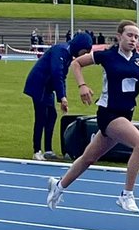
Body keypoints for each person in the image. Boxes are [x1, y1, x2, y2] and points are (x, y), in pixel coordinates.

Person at [46, 20, 139, 214]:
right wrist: (82, 85)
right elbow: (76, 63)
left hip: (126, 115)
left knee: (88, 158)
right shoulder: (107, 55)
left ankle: (59, 186)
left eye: (136, 37)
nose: (133, 40)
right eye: (129, 35)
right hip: (109, 114)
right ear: (119, 36)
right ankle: (126, 195)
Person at [23, 32, 93, 161]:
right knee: (41, 116)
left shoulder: (67, 54)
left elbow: (62, 77)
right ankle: (37, 150)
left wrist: (62, 97)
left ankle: (48, 150)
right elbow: (57, 73)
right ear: (80, 46)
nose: (84, 54)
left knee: (52, 116)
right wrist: (62, 97)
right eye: (85, 51)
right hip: (39, 84)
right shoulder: (61, 51)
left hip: (47, 87)